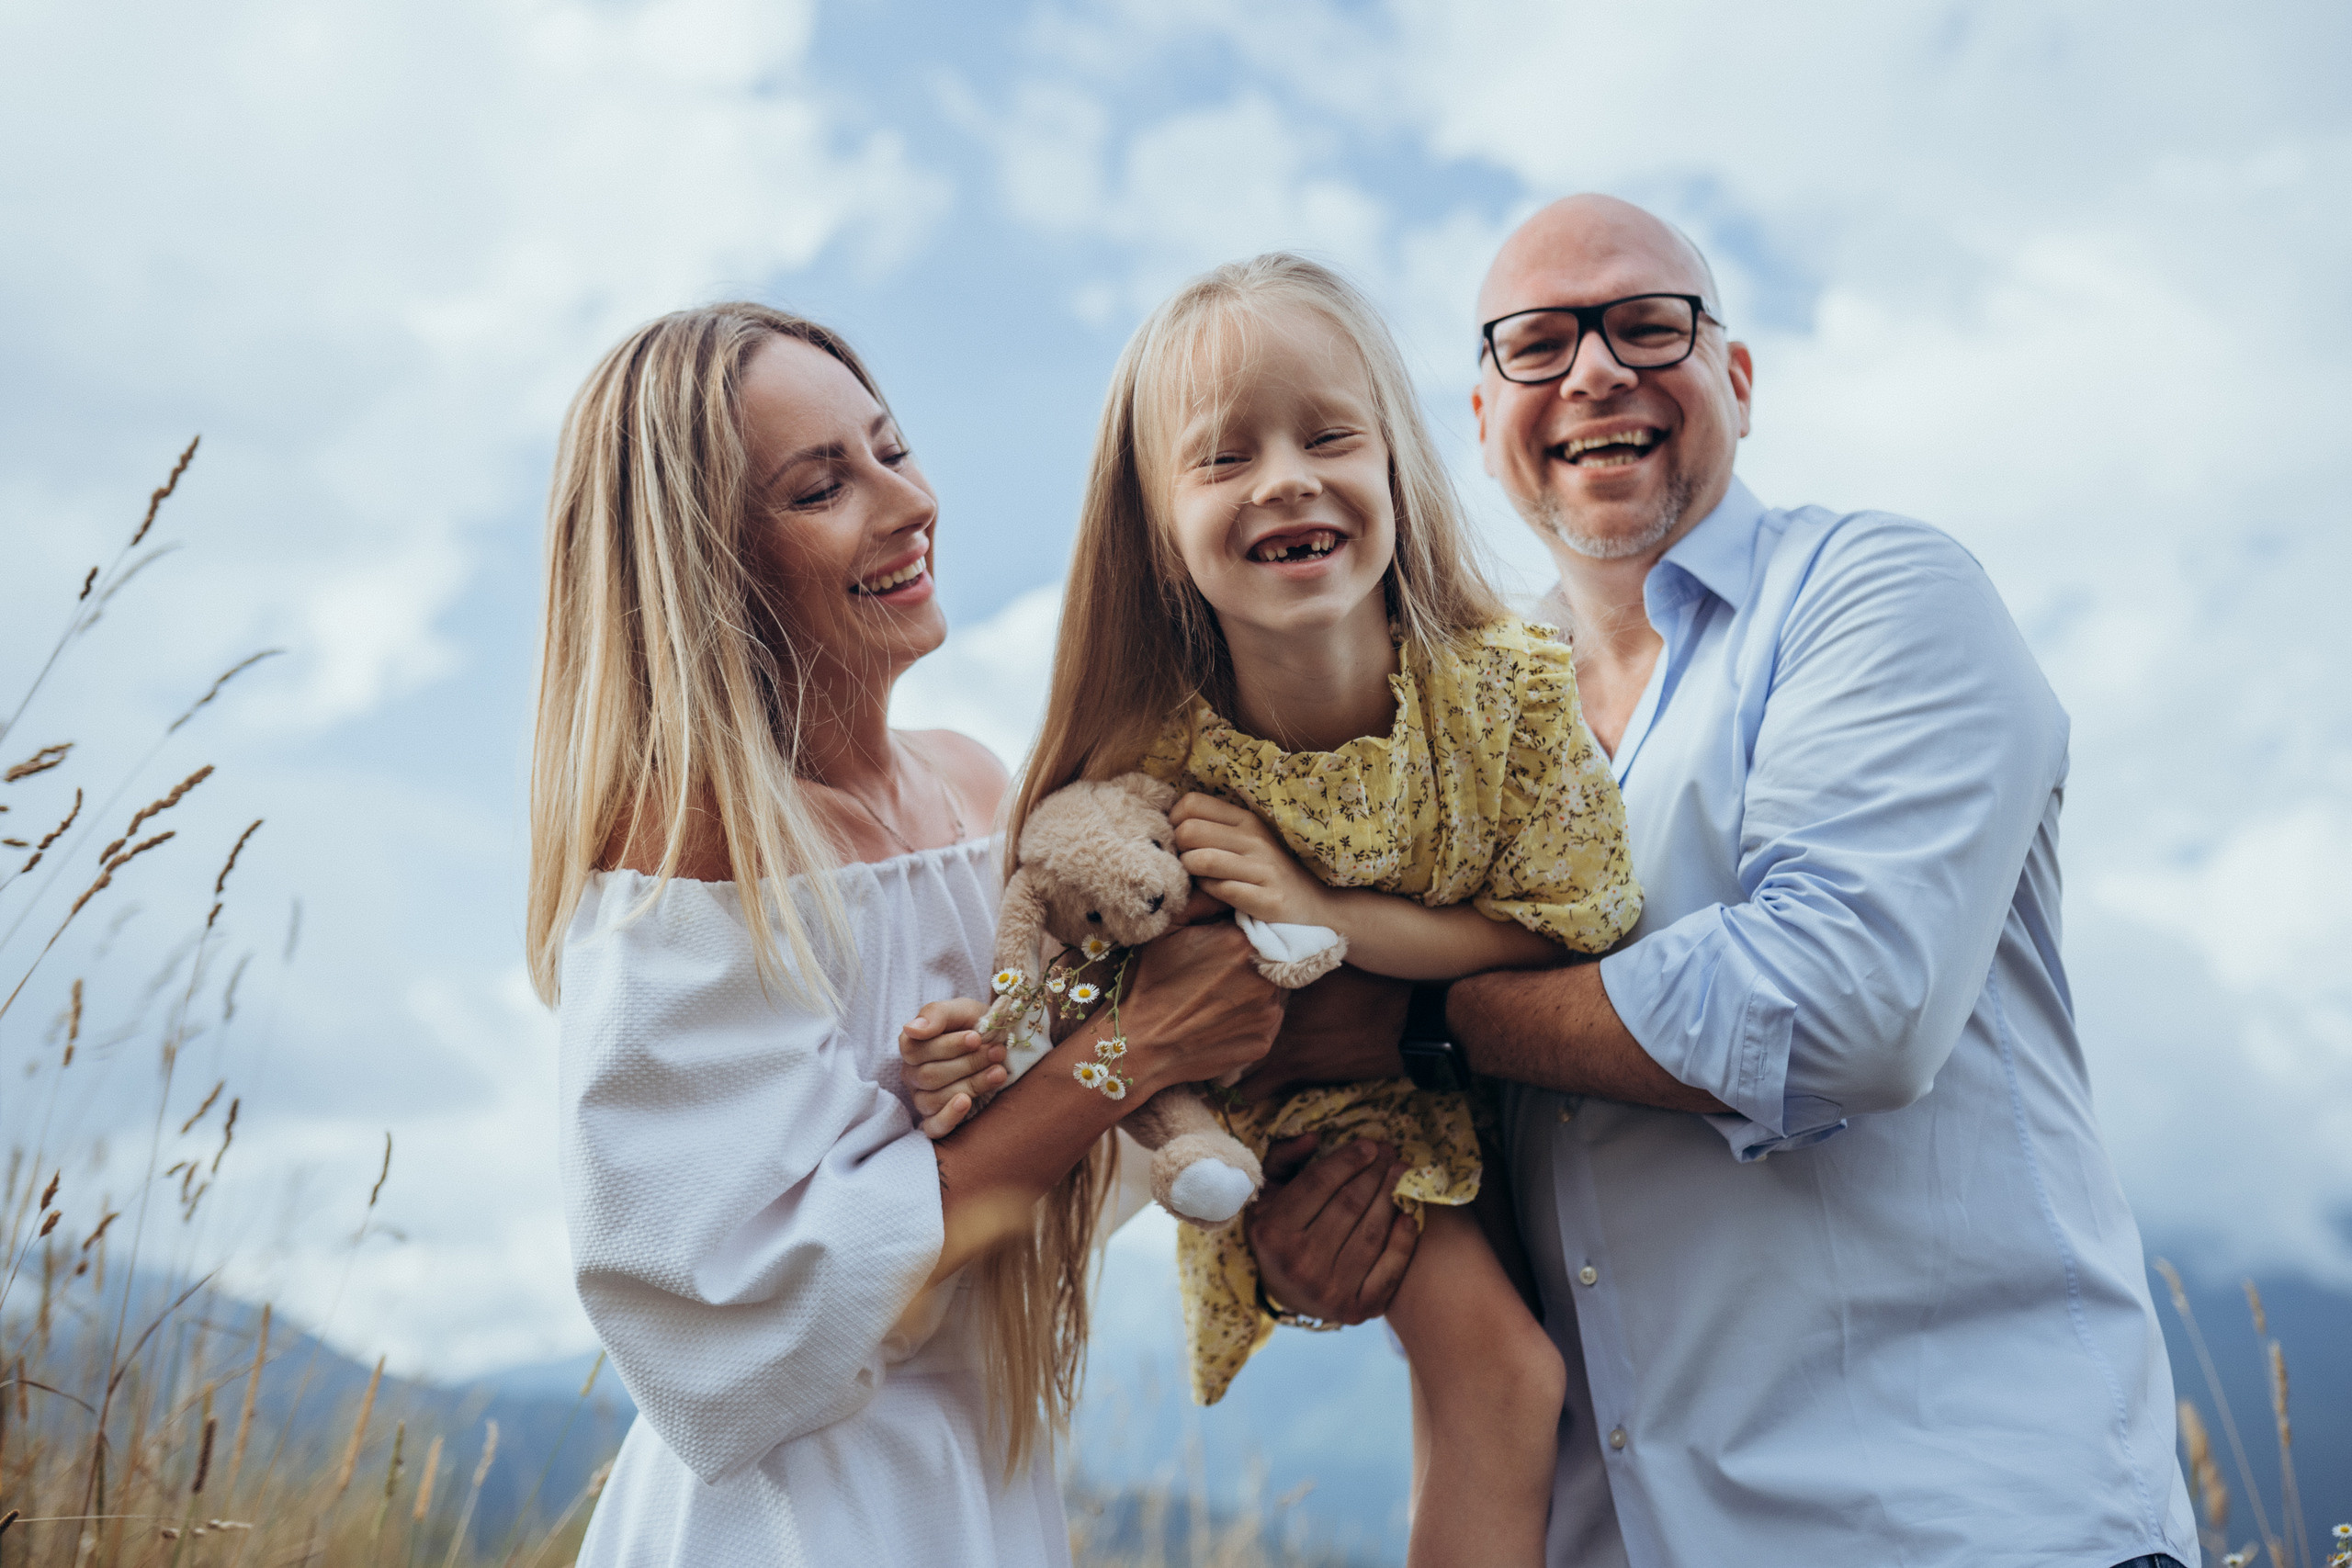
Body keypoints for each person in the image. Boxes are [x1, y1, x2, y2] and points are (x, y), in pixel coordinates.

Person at [1242, 195, 2200, 1567]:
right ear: (1480, 415)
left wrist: (1414, 1017)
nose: (1594, 372)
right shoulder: (1457, 740)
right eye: (1538, 344)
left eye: (1648, 325)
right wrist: (1339, 1248)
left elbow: (1837, 1005)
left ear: (1736, 382)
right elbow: (1454, 1162)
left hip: (1964, 1526)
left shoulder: (1878, 596)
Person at [904, 253, 1642, 1568]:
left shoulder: (1509, 694)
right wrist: (985, 1049)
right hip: (1305, 1123)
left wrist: (1324, 911)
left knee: (1581, 1382)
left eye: (1328, 434)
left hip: (1511, 1078)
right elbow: (1093, 983)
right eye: (1223, 458)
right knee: (1505, 1380)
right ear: (1157, 535)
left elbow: (1565, 922)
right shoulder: (1160, 765)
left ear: (1400, 470)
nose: (1286, 477)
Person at [526, 302, 1282, 1566]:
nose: (905, 502)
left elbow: (1048, 1179)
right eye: (822, 486)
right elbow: (734, 1329)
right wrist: (1130, 1057)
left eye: (891, 448)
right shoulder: (693, 856)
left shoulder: (981, 792)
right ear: (703, 563)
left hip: (981, 1482)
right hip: (792, 1521)